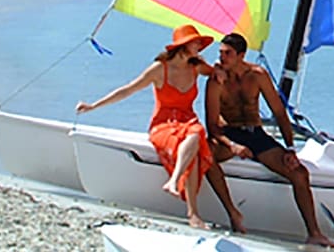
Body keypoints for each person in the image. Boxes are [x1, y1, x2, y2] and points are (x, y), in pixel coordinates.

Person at [77, 25, 245, 232]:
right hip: (163, 125)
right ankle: (191, 210)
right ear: (183, 45)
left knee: (195, 135)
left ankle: (183, 197)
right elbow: (128, 89)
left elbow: (218, 71)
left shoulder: (196, 66)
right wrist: (93, 106)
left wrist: (219, 72)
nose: (199, 46)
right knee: (195, 139)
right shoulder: (160, 69)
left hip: (188, 122)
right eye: (195, 43)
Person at [207, 33, 334, 247]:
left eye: (227, 53)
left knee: (299, 173)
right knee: (205, 155)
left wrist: (291, 149)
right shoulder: (216, 81)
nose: (222, 57)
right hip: (229, 134)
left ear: (241, 55)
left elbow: (279, 113)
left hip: (255, 134)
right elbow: (212, 125)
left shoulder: (257, 75)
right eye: (220, 53)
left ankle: (314, 233)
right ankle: (233, 213)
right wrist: (233, 146)